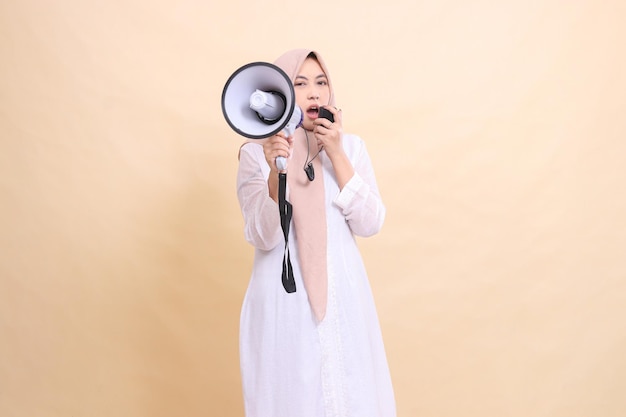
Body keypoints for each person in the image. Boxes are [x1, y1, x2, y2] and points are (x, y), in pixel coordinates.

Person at [236, 48, 396, 417]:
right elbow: (264, 236)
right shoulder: (254, 154)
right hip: (282, 300)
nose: (314, 93)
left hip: (342, 294)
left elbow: (370, 223)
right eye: (301, 83)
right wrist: (277, 168)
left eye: (321, 83)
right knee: (290, 395)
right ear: (281, 94)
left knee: (350, 391)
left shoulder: (352, 148)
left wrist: (336, 154)